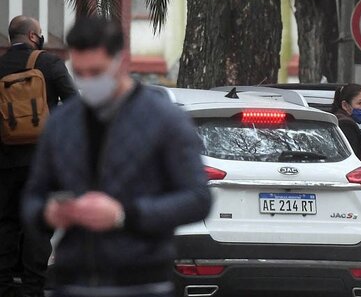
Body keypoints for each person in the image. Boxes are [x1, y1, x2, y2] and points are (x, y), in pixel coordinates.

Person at [21, 16, 211, 297]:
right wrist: (47, 212)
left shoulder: (164, 120)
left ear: (121, 62)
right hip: (73, 280)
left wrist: (124, 215)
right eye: (80, 73)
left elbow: (197, 198)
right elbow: (31, 197)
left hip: (141, 280)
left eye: (96, 72)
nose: (88, 81)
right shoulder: (62, 122)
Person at [0, 16, 76, 297]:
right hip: (42, 163)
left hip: (5, 162)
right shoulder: (49, 64)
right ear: (33, 36)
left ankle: (4, 286)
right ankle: (33, 288)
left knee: (5, 223)